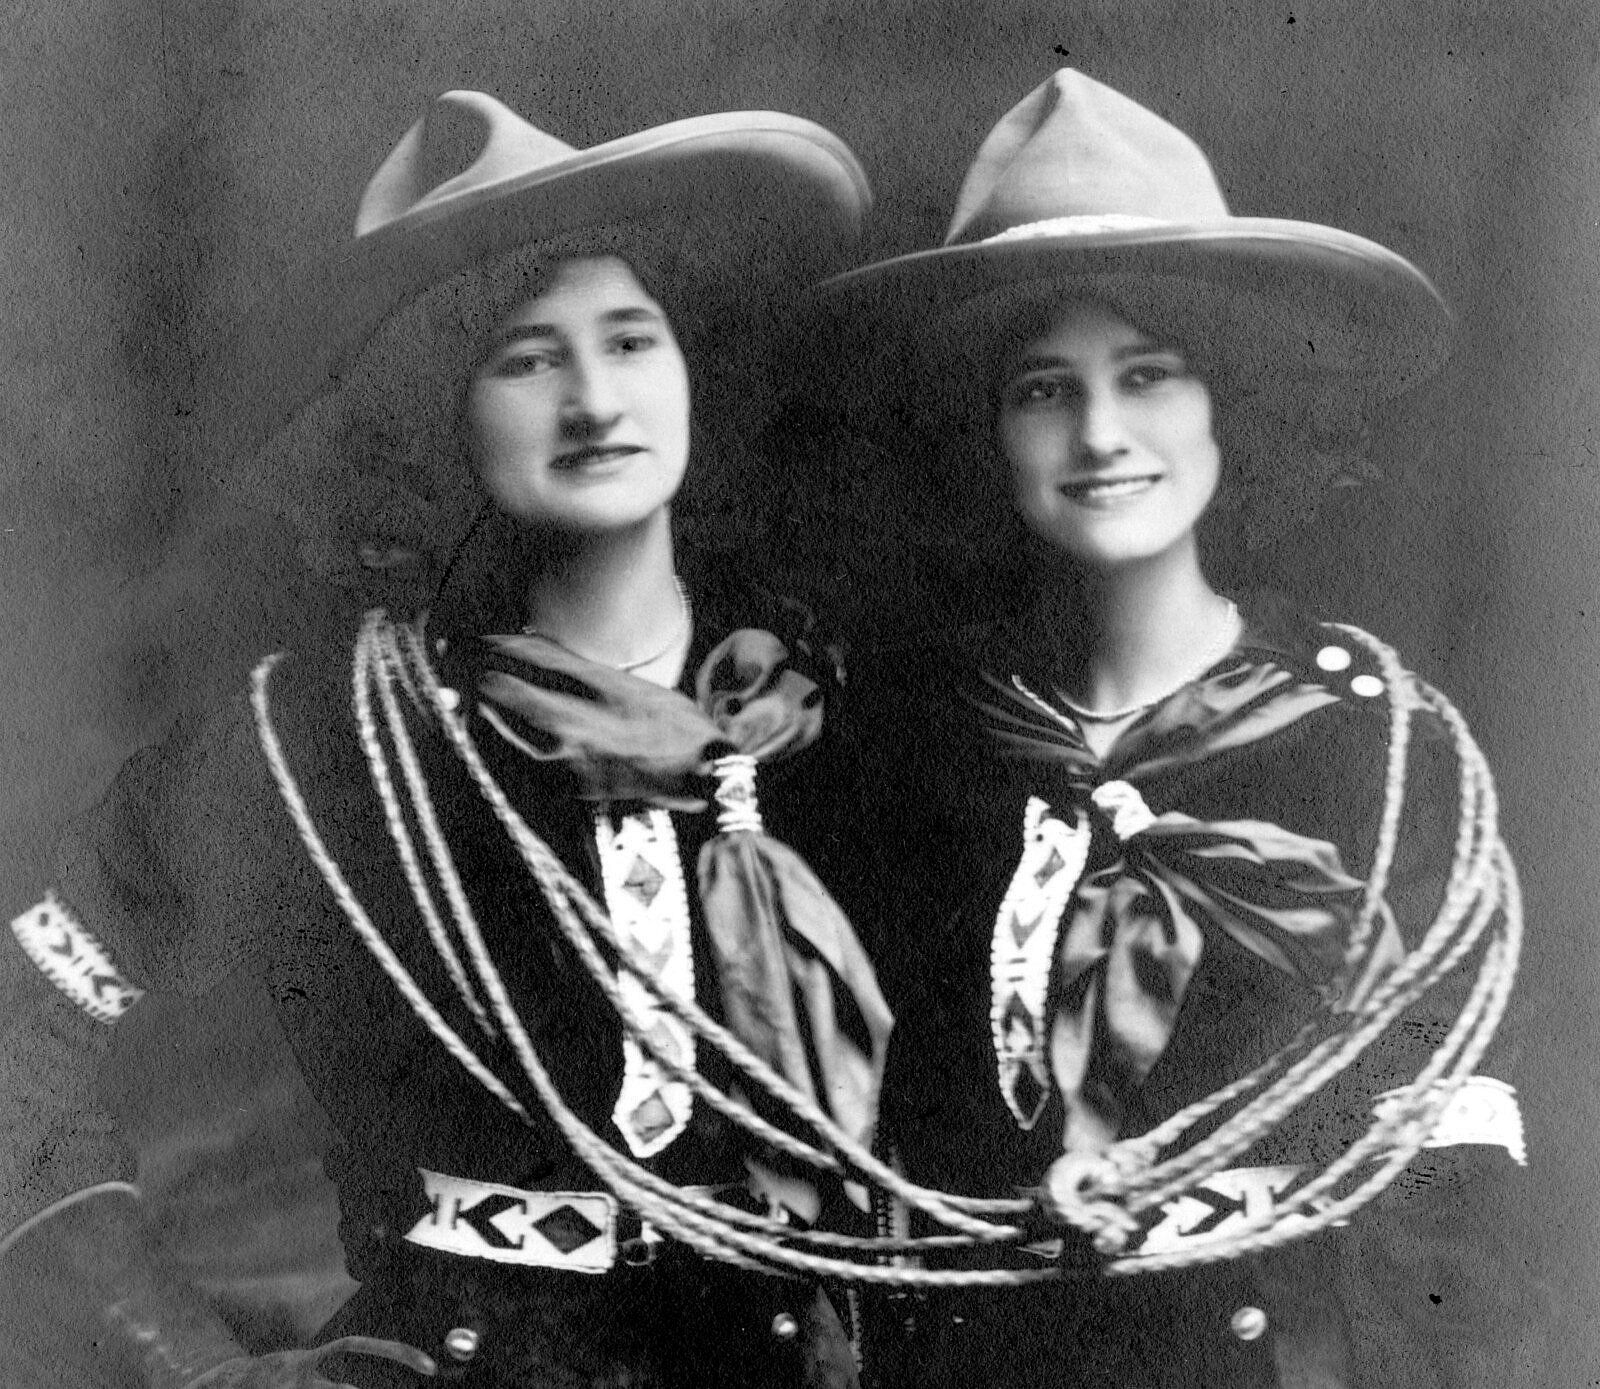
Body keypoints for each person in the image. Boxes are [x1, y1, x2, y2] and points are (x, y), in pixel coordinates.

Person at [0, 90, 891, 1388]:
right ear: (438, 414)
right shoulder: (308, 745)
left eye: (629, 338)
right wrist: (186, 1361)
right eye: (527, 358)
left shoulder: (826, 714)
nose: (594, 396)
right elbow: (21, 1042)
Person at [814, 70, 1533, 1387]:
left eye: (1146, 376)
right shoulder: (911, 750)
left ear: (1229, 402)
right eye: (1044, 388)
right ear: (990, 429)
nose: (1099, 433)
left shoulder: (1371, 746)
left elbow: (1448, 1192)